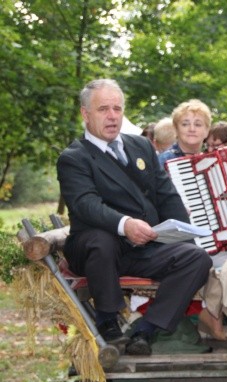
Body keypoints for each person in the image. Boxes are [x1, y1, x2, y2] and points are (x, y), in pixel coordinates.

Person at [57, 79, 213, 356]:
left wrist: (186, 235)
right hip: (96, 250)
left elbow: (167, 196)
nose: (112, 116)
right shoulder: (74, 157)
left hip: (143, 246)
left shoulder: (141, 146)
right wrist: (124, 224)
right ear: (85, 114)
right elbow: (85, 204)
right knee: (101, 239)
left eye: (117, 108)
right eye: (103, 109)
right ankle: (107, 322)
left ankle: (146, 330)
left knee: (196, 258)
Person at [158, 99, 211, 165]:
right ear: (176, 129)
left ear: (207, 131)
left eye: (198, 125)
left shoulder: (210, 161)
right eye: (185, 124)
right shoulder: (163, 161)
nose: (192, 129)